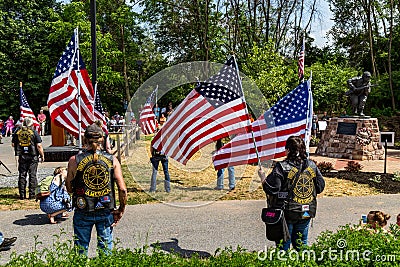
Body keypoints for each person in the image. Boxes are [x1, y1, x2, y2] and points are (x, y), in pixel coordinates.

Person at [66, 121, 127, 254]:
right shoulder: (112, 160)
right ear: (102, 139)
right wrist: (121, 209)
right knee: (105, 250)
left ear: (84, 139)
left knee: (80, 249)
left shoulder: (74, 160)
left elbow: (69, 188)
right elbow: (122, 189)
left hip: (83, 209)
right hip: (105, 209)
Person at [258, 135, 325, 251]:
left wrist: (263, 178)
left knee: (284, 244)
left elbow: (272, 189)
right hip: (307, 211)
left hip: (288, 212)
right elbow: (320, 187)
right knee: (301, 243)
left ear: (288, 150)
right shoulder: (312, 165)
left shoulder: (282, 167)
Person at [12, 117, 44, 200]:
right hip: (33, 156)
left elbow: (13, 144)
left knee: (22, 175)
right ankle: (32, 195)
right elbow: (39, 145)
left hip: (22, 155)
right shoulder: (34, 132)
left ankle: (22, 195)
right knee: (32, 174)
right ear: (31, 124)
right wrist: (42, 155)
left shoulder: (17, 132)